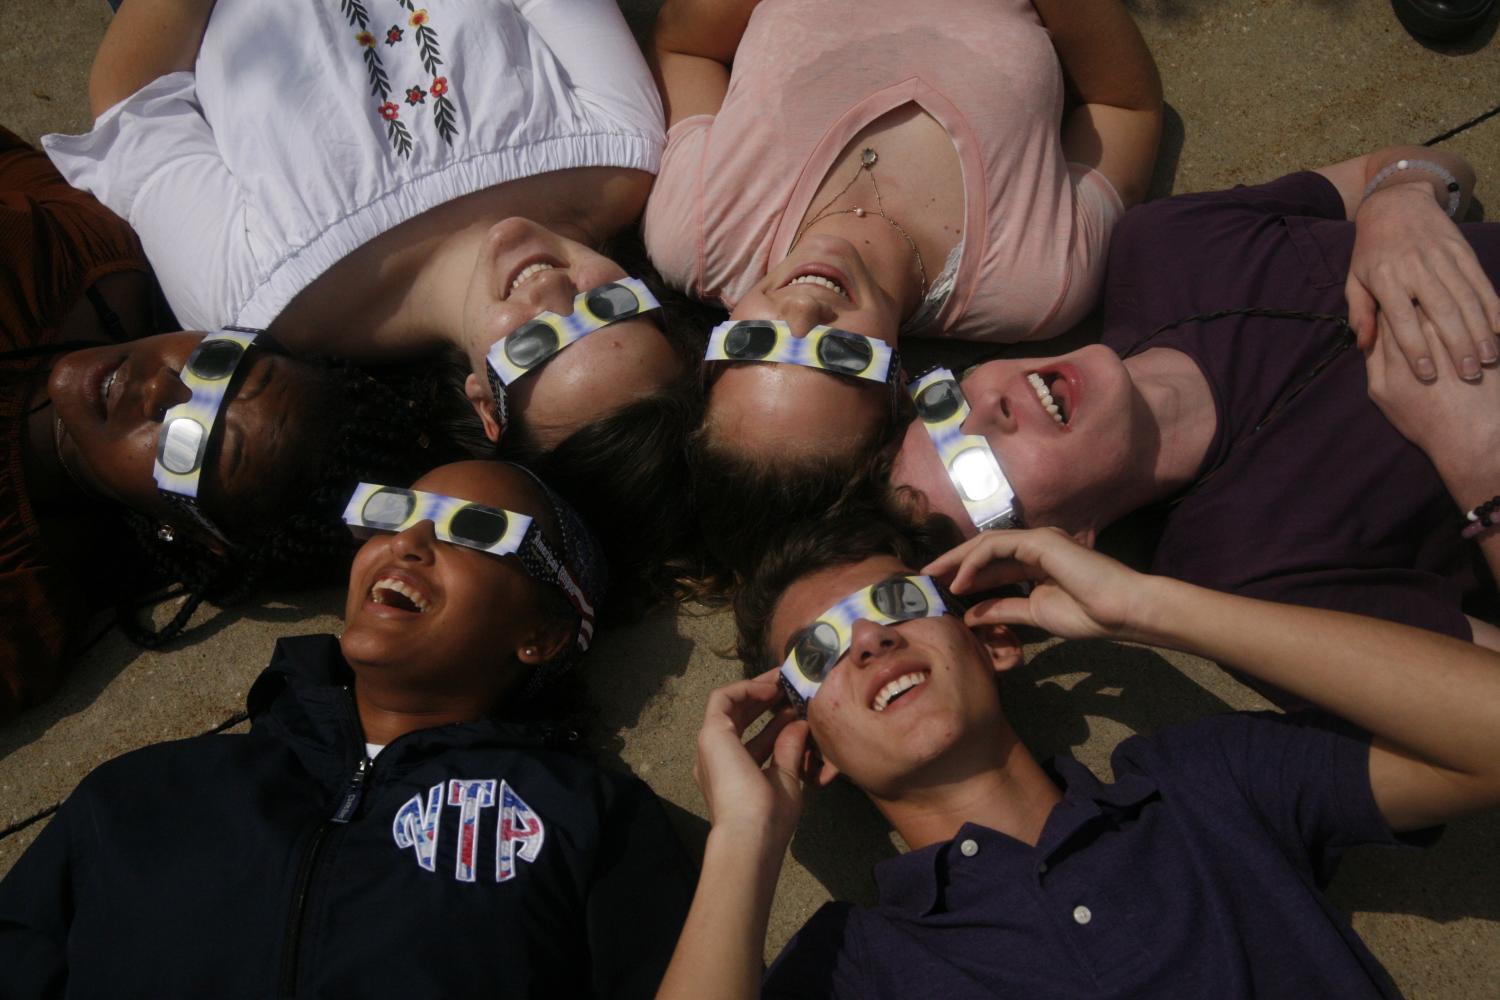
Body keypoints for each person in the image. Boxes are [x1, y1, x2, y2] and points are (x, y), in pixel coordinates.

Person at [658, 516, 1500, 998]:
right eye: (818, 653)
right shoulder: (857, 966)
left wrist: (1147, 606)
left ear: (991, 641)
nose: (871, 639)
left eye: (897, 601)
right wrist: (744, 835)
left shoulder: (1198, 787)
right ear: (813, 755)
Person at [42, 0, 701, 571]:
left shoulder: (262, 301)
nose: (553, 294)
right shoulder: (618, 151)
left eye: (535, 346)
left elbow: (139, 107)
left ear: (484, 406)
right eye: (609, 306)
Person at [0, 461, 693, 998]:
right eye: (394, 516)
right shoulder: (141, 793)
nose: (410, 544)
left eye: (475, 530)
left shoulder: (587, 820)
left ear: (541, 634)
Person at [888, 143, 1500, 647]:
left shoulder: (1162, 245)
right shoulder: (1253, 588)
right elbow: (1478, 708)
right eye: (980, 477)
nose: (989, 410)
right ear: (1061, 545)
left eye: (945, 404)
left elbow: (1423, 167)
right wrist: (1479, 463)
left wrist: (1400, 201)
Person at [646, 0, 1162, 575]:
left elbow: (685, 44)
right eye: (838, 357)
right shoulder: (1037, 278)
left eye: (751, 343)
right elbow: (1124, 105)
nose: (800, 310)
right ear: (901, 389)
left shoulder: (698, 232)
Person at [0, 127, 473, 720]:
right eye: (215, 361)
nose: (160, 387)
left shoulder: (17, 611)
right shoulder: (59, 255)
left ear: (194, 534)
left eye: (188, 444)